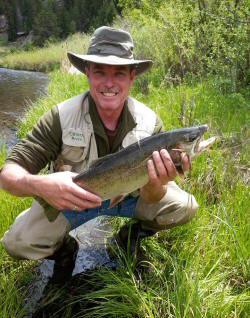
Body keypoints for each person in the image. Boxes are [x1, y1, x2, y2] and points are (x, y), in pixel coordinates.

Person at [0, 26, 198, 283]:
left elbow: (153, 197)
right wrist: (40, 184)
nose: (109, 83)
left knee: (184, 207)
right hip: (73, 201)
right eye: (100, 72)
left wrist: (155, 184)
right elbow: (8, 175)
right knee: (17, 243)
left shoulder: (151, 124)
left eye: (119, 73)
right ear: (87, 74)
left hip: (127, 198)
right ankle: (65, 251)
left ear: (131, 77)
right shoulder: (60, 117)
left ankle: (130, 237)